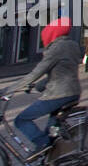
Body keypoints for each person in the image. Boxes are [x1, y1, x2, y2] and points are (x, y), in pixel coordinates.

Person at [15, 19, 80, 158]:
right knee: (51, 133)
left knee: (21, 120)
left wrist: (8, 90)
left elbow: (36, 72)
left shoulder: (56, 48)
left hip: (58, 95)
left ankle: (43, 145)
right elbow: (62, 70)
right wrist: (39, 86)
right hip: (73, 93)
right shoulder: (73, 45)